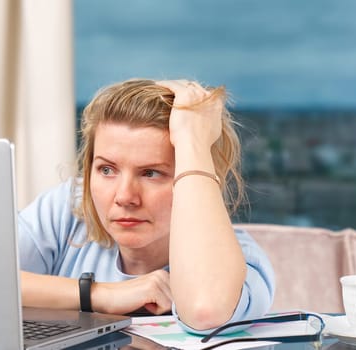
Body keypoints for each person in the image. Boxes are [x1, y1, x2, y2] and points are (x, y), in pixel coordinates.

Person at [17, 78, 275, 333]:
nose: (125, 196)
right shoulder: (69, 209)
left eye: (151, 173)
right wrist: (102, 295)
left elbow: (204, 310)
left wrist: (192, 144)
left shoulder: (237, 263)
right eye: (107, 169)